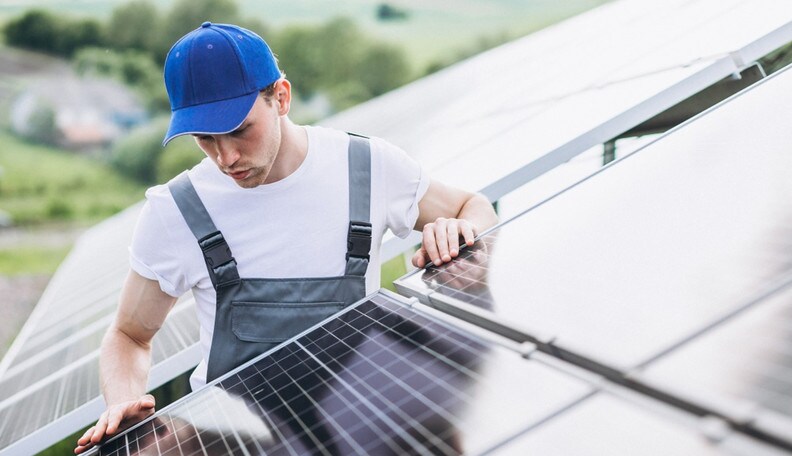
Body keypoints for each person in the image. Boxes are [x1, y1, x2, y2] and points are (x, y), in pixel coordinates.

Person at [75, 21, 497, 454]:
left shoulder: (367, 167)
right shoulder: (175, 211)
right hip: (236, 443)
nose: (226, 157)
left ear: (281, 97)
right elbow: (129, 335)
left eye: (239, 129)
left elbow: (473, 206)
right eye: (204, 138)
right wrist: (124, 401)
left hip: (364, 433)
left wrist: (464, 234)